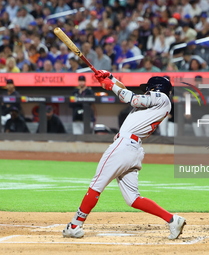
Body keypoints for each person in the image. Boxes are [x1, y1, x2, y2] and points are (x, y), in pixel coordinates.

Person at [63, 71, 186, 240]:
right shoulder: (155, 105)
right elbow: (128, 93)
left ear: (156, 88)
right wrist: (110, 78)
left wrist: (110, 85)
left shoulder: (161, 98)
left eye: (148, 89)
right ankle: (173, 220)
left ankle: (75, 225)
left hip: (124, 146)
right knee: (133, 199)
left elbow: (133, 98)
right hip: (133, 149)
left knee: (97, 184)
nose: (146, 92)